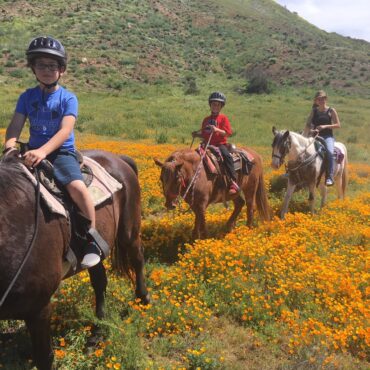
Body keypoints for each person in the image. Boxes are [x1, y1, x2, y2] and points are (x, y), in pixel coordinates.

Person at [4, 36, 101, 268]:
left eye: (52, 66)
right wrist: (9, 145)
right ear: (33, 68)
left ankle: (92, 238)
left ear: (61, 70)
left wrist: (43, 151)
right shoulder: (26, 97)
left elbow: (65, 130)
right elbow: (16, 124)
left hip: (60, 153)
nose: (46, 70)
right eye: (41, 65)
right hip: (32, 152)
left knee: (76, 187)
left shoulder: (68, 98)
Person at [192, 91, 239, 195]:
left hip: (220, 145)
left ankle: (233, 182)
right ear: (210, 105)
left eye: (218, 105)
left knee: (227, 157)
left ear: (221, 106)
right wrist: (196, 135)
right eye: (213, 104)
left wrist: (217, 129)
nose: (215, 106)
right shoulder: (206, 120)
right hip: (207, 145)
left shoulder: (223, 118)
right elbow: (205, 135)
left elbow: (227, 134)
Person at [303, 90, 341, 186]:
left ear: (326, 99)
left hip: (327, 136)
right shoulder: (314, 111)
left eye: (323, 99)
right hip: (314, 136)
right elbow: (308, 124)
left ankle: (329, 176)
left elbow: (338, 125)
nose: (321, 101)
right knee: (301, 149)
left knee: (329, 151)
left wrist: (325, 126)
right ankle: (295, 173)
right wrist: (310, 130)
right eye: (319, 99)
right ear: (316, 101)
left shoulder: (331, 110)